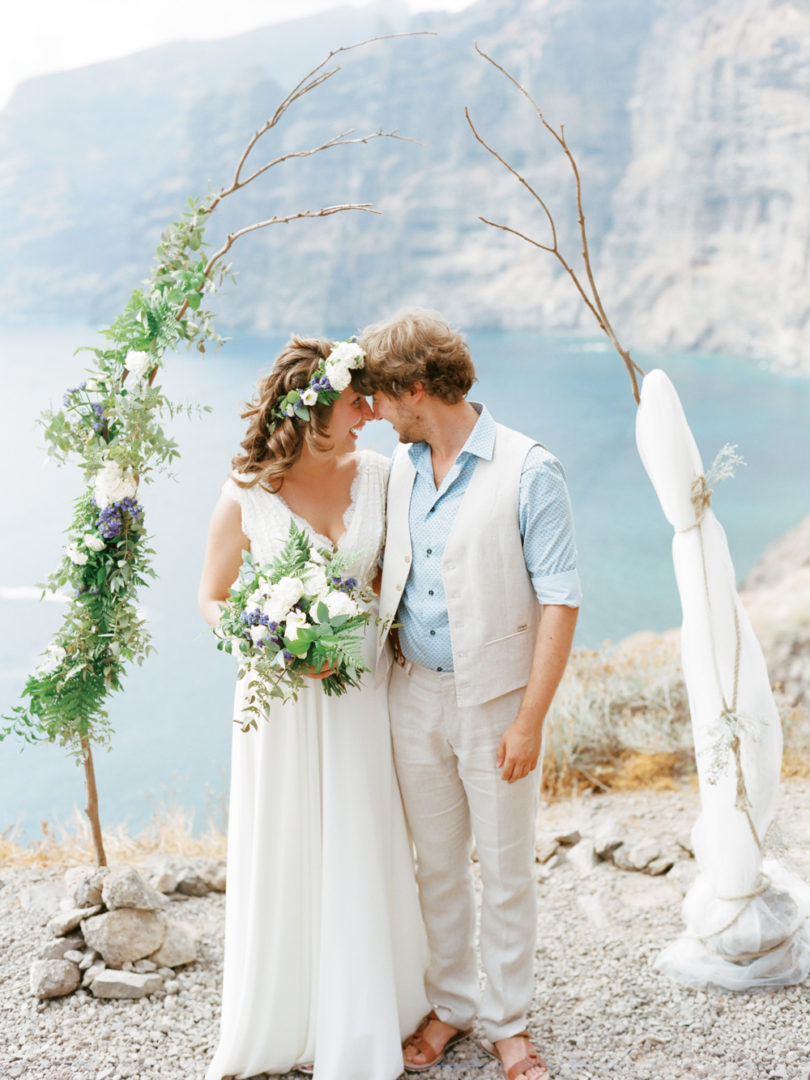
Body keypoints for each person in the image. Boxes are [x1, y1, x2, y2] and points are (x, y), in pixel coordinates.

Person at [357, 310, 582, 1080]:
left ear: (416, 389)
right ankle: (451, 1003)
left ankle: (508, 1021)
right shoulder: (399, 468)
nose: (375, 415)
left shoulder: (530, 469)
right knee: (439, 866)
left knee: (508, 866)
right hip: (409, 692)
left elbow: (561, 601)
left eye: (382, 399)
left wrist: (528, 720)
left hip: (496, 704)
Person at [198, 336, 428, 1080]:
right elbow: (212, 599)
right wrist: (272, 638)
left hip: (359, 695)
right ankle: (286, 1015)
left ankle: (368, 1013)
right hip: (282, 707)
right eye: (357, 402)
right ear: (316, 410)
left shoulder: (386, 477)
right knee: (290, 840)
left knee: (363, 837)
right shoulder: (245, 494)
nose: (372, 414)